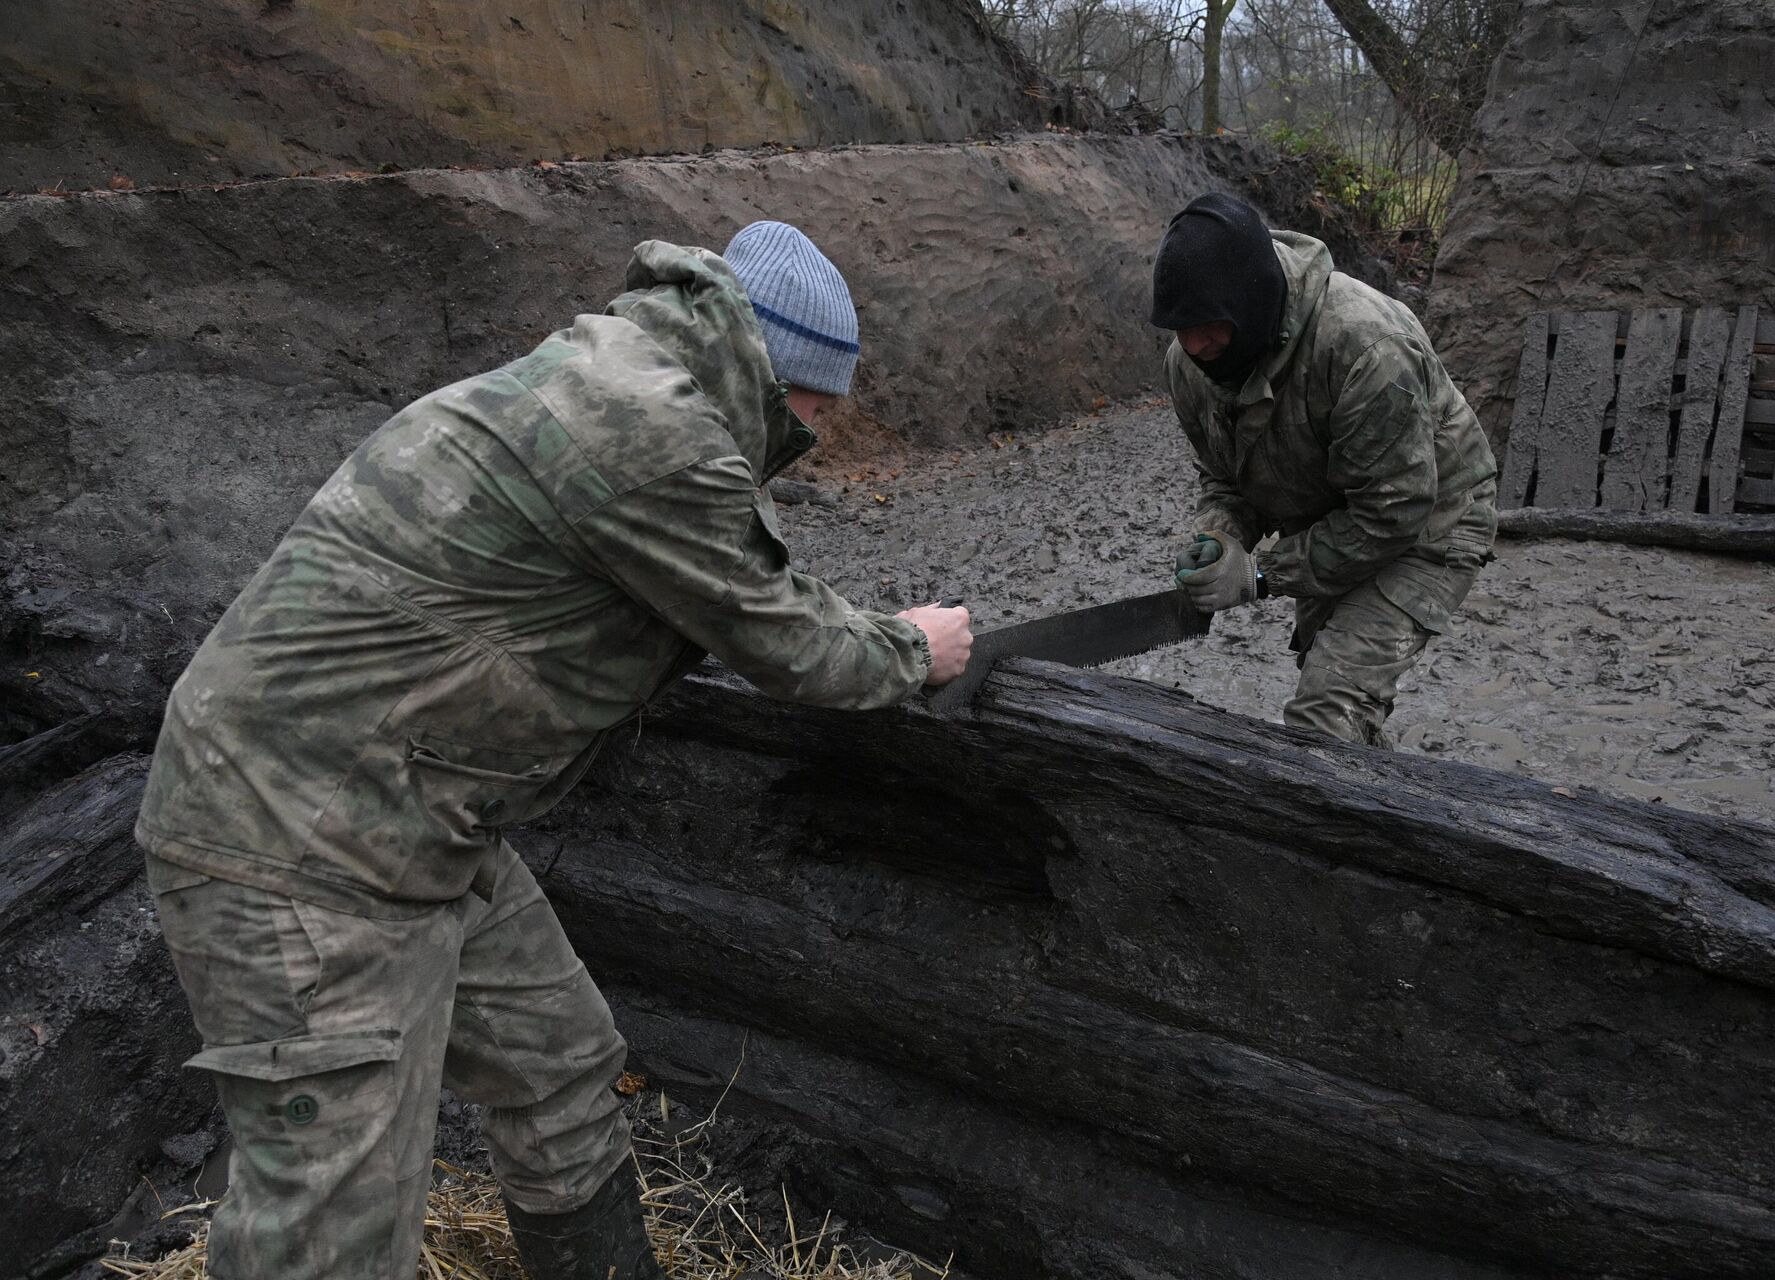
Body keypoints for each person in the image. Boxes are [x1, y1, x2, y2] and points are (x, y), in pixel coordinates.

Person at [134, 221, 972, 1280]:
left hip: (412, 815)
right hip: (294, 839)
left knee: (560, 1067)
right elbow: (791, 641)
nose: (822, 430)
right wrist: (913, 647)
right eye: (821, 405)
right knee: (333, 1218)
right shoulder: (650, 429)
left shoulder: (610, 373)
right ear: (778, 372)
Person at [1153, 192, 1497, 746]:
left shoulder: (1367, 347)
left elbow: (1392, 514)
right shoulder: (1189, 364)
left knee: (1325, 714)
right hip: (1327, 519)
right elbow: (1224, 476)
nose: (1195, 343)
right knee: (1336, 712)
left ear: (1252, 302)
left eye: (1209, 323)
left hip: (1429, 521)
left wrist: (1259, 576)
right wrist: (1220, 536)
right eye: (1180, 326)